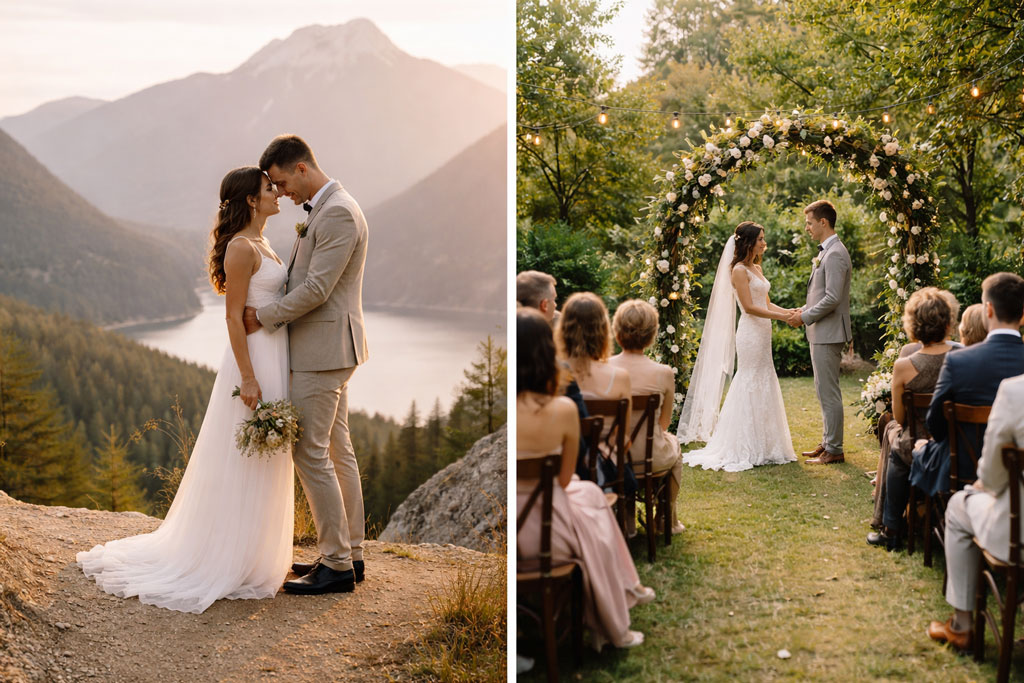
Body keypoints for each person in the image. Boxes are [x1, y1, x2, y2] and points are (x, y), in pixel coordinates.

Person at [78, 168, 294, 613]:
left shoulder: (265, 244)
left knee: (266, 459)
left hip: (275, 357)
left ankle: (256, 554)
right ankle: (228, 557)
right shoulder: (240, 247)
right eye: (269, 188)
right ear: (251, 201)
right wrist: (249, 377)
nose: (278, 193)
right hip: (253, 362)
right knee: (243, 458)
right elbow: (234, 317)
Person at [243, 134, 369, 595]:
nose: (281, 194)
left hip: (323, 351)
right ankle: (349, 554)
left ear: (300, 168)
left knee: (309, 452)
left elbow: (317, 289)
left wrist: (263, 316)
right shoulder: (332, 206)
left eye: (280, 182)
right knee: (338, 451)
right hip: (333, 348)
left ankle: (335, 564)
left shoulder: (335, 211)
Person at [517, 308, 653, 651]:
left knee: (591, 494)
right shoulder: (562, 409)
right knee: (591, 496)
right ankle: (621, 595)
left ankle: (626, 588)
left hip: (515, 536)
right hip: (548, 540)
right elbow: (563, 481)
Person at [677, 221, 798, 471]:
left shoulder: (757, 268)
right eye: (761, 239)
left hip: (763, 332)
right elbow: (751, 307)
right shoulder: (739, 270)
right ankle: (742, 443)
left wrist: (790, 312)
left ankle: (765, 445)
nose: (765, 243)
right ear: (749, 242)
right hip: (750, 332)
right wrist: (784, 318)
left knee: (764, 377)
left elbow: (766, 302)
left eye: (764, 239)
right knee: (749, 379)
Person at [927, 373, 1024, 651]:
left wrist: (985, 483)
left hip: (1017, 538)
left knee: (959, 504)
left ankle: (962, 626)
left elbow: (992, 478)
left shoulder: (1014, 391)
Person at [909, 272, 1024, 500]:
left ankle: (908, 523)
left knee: (921, 448)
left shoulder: (959, 361)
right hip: (1018, 475)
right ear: (1022, 315)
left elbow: (935, 425)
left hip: (962, 470)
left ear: (988, 310)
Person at [868, 288, 958, 543]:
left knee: (896, 437)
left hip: (915, 443)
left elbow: (900, 416)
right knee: (896, 436)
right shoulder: (961, 358)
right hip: (953, 442)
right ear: (948, 323)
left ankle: (892, 528)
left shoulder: (904, 366)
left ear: (912, 325)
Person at [608, 300, 684, 534]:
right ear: (652, 334)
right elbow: (663, 423)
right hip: (651, 458)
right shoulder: (663, 373)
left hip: (613, 459)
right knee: (675, 447)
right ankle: (665, 518)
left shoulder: (604, 369)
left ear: (617, 332)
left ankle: (626, 517)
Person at [787, 200, 853, 465]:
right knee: (822, 390)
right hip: (822, 332)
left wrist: (804, 317)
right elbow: (820, 295)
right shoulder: (827, 251)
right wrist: (801, 309)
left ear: (823, 222)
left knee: (829, 392)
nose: (807, 228)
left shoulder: (836, 253)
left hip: (829, 332)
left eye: (810, 223)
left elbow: (833, 298)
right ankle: (828, 442)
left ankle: (835, 449)